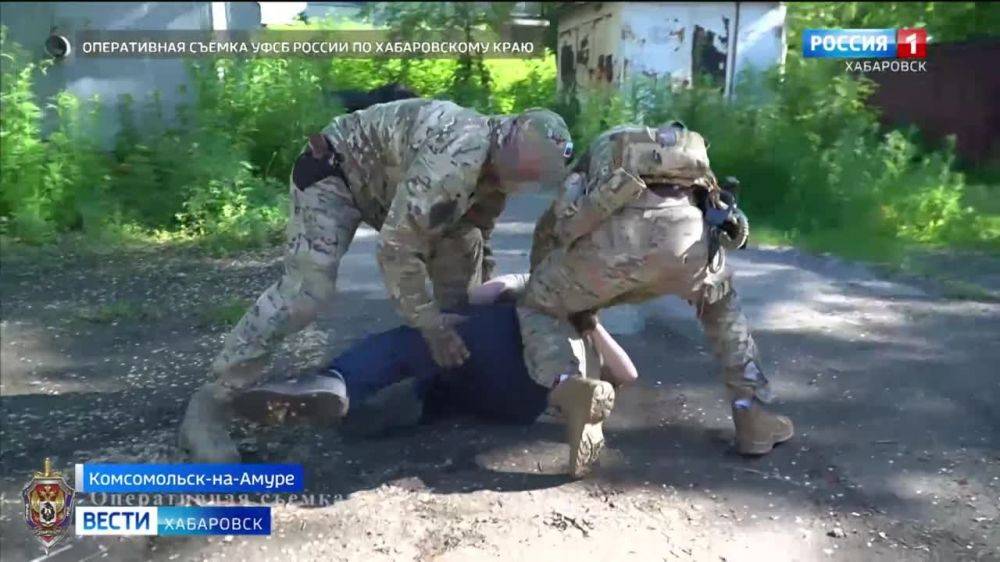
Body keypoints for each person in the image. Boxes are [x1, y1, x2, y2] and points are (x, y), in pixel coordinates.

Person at [180, 99, 574, 462]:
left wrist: (473, 311)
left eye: (532, 181)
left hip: (392, 191)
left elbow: (477, 232)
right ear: (508, 140)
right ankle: (212, 403)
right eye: (524, 175)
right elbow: (398, 248)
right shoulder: (460, 153)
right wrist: (432, 327)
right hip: (338, 174)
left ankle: (432, 384)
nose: (524, 186)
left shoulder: (496, 171)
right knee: (306, 291)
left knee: (464, 259)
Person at [514, 123, 794, 475]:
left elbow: (555, 225)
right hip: (686, 241)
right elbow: (726, 217)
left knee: (538, 305)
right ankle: (752, 415)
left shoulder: (602, 150)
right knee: (721, 303)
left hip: (609, 250)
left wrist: (549, 282)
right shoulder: (687, 157)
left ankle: (570, 388)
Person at [231, 274, 638, 476]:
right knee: (449, 391)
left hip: (493, 352)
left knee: (422, 341)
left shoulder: (537, 284)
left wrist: (515, 286)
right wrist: (591, 325)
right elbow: (628, 374)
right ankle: (570, 393)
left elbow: (479, 295)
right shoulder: (584, 331)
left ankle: (340, 382)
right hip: (523, 404)